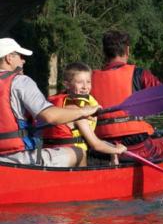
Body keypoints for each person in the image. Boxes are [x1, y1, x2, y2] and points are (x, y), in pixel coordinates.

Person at [91, 30, 163, 160]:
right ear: (127, 50)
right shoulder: (139, 75)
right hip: (137, 146)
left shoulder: (88, 80)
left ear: (104, 52)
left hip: (102, 147)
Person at [0, 38, 100, 167]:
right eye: (20, 56)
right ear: (9, 58)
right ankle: (78, 187)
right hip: (18, 157)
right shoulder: (20, 81)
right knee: (79, 152)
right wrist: (84, 111)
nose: (23, 60)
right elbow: (50, 116)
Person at [41, 62, 127, 166]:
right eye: (80, 82)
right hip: (73, 160)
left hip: (55, 154)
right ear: (67, 84)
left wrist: (112, 149)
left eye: (88, 82)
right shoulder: (75, 112)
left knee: (109, 150)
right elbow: (96, 145)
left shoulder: (58, 107)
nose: (85, 87)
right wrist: (117, 150)